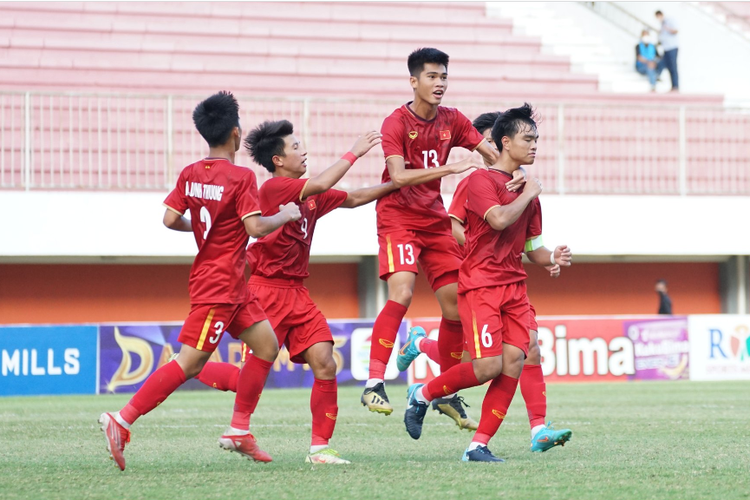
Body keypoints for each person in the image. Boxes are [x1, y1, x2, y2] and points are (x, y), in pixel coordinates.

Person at [98, 91, 301, 471]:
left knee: (267, 345)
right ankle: (121, 420)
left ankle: (240, 429)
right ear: (237, 134)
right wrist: (287, 214)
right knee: (190, 363)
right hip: (219, 284)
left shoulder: (190, 173)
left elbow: (170, 219)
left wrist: (209, 231)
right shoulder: (242, 177)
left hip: (230, 284)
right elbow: (255, 227)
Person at [193, 120, 394, 464]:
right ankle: (192, 366)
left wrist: (397, 184)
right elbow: (322, 181)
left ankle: (320, 449)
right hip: (264, 291)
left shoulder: (309, 194)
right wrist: (356, 152)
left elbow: (357, 197)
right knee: (249, 377)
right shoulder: (273, 189)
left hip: (298, 292)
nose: (305, 152)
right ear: (278, 160)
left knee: (326, 364)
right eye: (296, 147)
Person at [361, 48, 524, 426]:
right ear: (414, 81)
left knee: (453, 307)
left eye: (444, 77)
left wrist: (509, 174)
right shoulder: (396, 123)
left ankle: (445, 392)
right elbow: (398, 177)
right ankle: (374, 381)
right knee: (402, 292)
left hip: (434, 220)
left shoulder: (453, 119)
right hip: (398, 216)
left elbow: (488, 154)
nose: (440, 84)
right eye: (432, 77)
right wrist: (451, 167)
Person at [402, 104, 573, 463]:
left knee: (519, 357)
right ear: (505, 142)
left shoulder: (528, 191)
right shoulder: (481, 182)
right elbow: (495, 220)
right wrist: (528, 193)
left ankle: (478, 445)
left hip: (515, 287)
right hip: (480, 285)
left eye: (537, 139)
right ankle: (421, 394)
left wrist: (552, 259)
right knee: (486, 368)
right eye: (528, 139)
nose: (535, 146)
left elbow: (533, 247)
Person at [655, 10, 679, 92]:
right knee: (662, 64)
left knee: (673, 67)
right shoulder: (662, 24)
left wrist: (667, 28)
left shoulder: (669, 20)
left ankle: (675, 87)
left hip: (672, 47)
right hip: (665, 48)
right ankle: (656, 78)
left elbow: (676, 31)